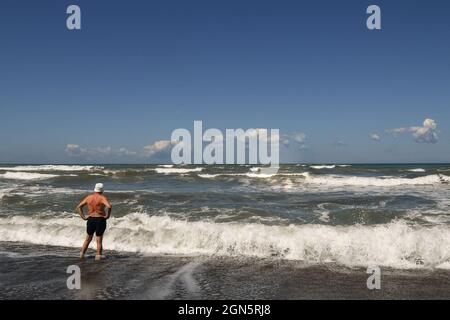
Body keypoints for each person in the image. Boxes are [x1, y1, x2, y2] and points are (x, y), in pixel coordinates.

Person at [76, 183, 112, 260]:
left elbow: (79, 206)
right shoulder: (102, 198)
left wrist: (83, 217)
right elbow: (109, 206)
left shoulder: (89, 197)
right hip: (100, 219)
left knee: (88, 238)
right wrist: (107, 216)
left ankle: (82, 255)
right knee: (99, 240)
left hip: (91, 219)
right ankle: (98, 257)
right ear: (102, 190)